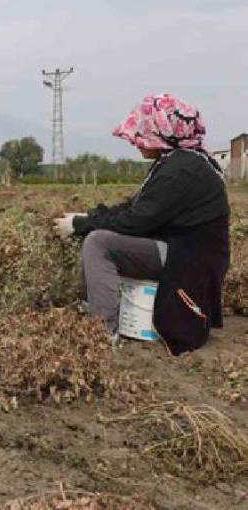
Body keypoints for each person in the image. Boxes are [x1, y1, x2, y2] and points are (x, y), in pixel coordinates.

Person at [53, 94, 229, 355]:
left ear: (163, 132)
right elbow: (137, 208)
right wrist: (88, 217)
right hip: (186, 248)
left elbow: (135, 221)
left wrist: (83, 225)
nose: (136, 141)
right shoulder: (182, 161)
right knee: (98, 232)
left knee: (98, 243)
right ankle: (98, 309)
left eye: (143, 133)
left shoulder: (180, 169)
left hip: (189, 257)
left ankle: (102, 334)